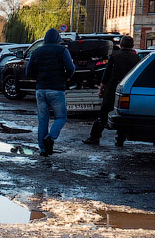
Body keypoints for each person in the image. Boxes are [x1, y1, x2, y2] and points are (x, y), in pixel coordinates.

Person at [25, 28, 75, 156]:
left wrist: (38, 78)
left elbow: (28, 72)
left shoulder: (36, 52)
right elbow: (70, 68)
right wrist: (66, 77)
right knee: (61, 117)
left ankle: (43, 149)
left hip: (40, 90)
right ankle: (50, 138)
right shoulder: (62, 50)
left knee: (43, 120)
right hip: (56, 89)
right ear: (57, 39)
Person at [84, 35, 140, 146]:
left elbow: (106, 74)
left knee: (104, 113)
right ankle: (120, 139)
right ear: (132, 45)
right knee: (123, 113)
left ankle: (94, 137)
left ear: (121, 45)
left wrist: (101, 88)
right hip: (127, 90)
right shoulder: (136, 58)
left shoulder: (115, 56)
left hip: (112, 88)